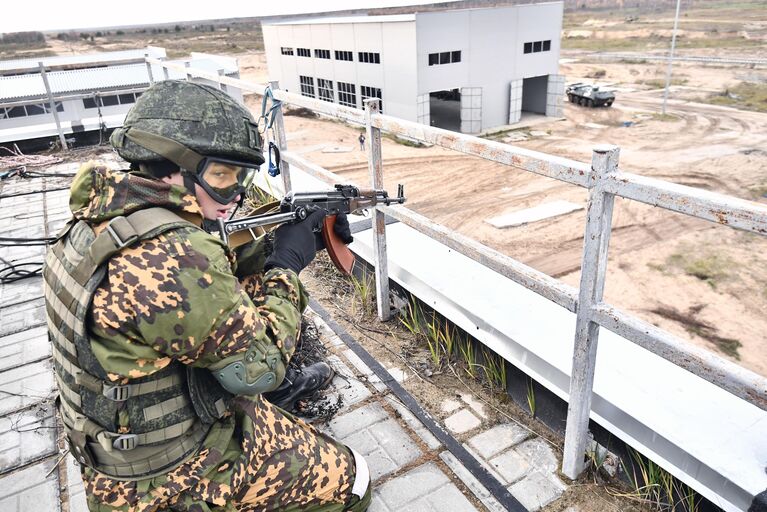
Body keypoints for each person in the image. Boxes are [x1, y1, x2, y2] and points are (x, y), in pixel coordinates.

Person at [43, 80, 371, 511]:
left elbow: (210, 276)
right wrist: (286, 266)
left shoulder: (109, 212)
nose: (235, 194)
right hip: (161, 480)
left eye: (241, 178)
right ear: (172, 166)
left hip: (115, 443)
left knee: (248, 296)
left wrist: (276, 241)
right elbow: (261, 369)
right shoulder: (172, 255)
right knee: (352, 483)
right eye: (221, 176)